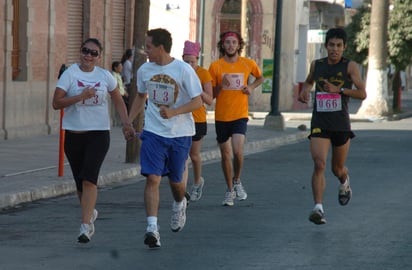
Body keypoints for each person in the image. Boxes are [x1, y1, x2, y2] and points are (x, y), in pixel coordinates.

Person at [52, 38, 135, 243]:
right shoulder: (70, 74)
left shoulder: (105, 76)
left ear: (99, 57)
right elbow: (56, 103)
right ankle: (89, 213)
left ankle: (85, 225)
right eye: (85, 51)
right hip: (73, 135)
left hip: (98, 134)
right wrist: (80, 96)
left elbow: (117, 99)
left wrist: (126, 123)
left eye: (93, 53)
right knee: (80, 183)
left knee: (90, 178)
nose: (88, 55)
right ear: (80, 52)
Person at [127, 28, 202, 248]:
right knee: (152, 178)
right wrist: (129, 121)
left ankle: (180, 203)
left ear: (160, 47)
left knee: (176, 182)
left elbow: (198, 102)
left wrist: (174, 112)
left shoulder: (183, 70)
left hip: (180, 134)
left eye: (148, 47)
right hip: (153, 132)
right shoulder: (144, 70)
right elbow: (141, 96)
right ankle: (152, 228)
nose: (145, 51)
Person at [298, 28, 366, 225]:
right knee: (319, 163)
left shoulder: (349, 66)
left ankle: (344, 181)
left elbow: (362, 94)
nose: (335, 49)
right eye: (331, 45)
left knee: (337, 168)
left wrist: (340, 90)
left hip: (340, 123)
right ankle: (318, 208)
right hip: (320, 121)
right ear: (325, 46)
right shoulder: (317, 65)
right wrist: (305, 91)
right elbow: (309, 81)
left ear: (344, 47)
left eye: (339, 46)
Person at [208, 31, 263, 206]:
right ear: (222, 45)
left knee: (238, 151)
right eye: (227, 42)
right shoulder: (215, 66)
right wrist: (220, 87)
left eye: (234, 42)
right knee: (225, 155)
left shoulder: (248, 64)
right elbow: (212, 95)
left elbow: (260, 77)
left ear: (239, 45)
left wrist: (251, 87)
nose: (230, 45)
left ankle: (237, 179)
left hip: (240, 115)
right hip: (222, 116)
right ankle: (229, 189)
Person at [181, 40, 213, 202]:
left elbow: (209, 100)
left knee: (193, 155)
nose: (189, 65)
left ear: (197, 61)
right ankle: (183, 189)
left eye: (192, 62)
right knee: (182, 156)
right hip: (180, 119)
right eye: (186, 62)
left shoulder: (203, 74)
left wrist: (197, 88)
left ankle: (197, 182)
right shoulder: (178, 72)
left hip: (197, 119)